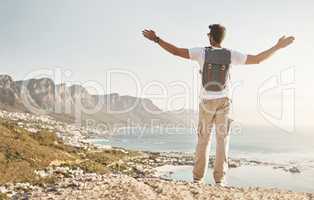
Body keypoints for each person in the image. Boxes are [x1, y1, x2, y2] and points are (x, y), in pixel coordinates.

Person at [142, 24, 294, 186]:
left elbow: (176, 51)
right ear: (222, 38)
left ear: (210, 37)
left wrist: (157, 40)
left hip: (206, 103)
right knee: (223, 141)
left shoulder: (201, 52)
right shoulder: (230, 54)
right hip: (224, 102)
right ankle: (219, 180)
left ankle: (197, 179)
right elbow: (257, 59)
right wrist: (277, 46)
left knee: (203, 140)